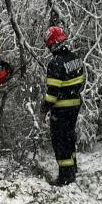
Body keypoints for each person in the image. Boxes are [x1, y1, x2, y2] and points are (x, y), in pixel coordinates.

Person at [39, 26, 85, 186]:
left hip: (61, 109)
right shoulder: (76, 58)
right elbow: (82, 82)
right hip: (74, 106)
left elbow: (52, 93)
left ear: (52, 44)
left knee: (60, 140)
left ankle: (65, 177)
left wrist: (43, 109)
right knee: (69, 137)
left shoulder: (55, 63)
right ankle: (72, 168)